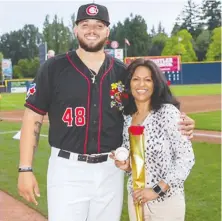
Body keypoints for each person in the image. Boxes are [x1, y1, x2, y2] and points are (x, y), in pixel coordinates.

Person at [17, 3, 195, 221]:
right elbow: (32, 117)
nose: (92, 30)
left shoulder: (122, 73)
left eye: (99, 25)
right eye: (85, 24)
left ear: (108, 31)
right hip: (67, 170)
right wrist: (25, 169)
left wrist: (181, 120)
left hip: (111, 169)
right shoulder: (53, 68)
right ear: (75, 29)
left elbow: (149, 106)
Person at [112, 58, 195, 221]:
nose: (141, 84)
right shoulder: (127, 118)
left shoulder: (167, 113)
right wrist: (126, 165)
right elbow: (137, 162)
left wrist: (156, 190)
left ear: (155, 84)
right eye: (136, 79)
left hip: (166, 202)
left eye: (147, 80)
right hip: (136, 198)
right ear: (129, 84)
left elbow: (186, 159)